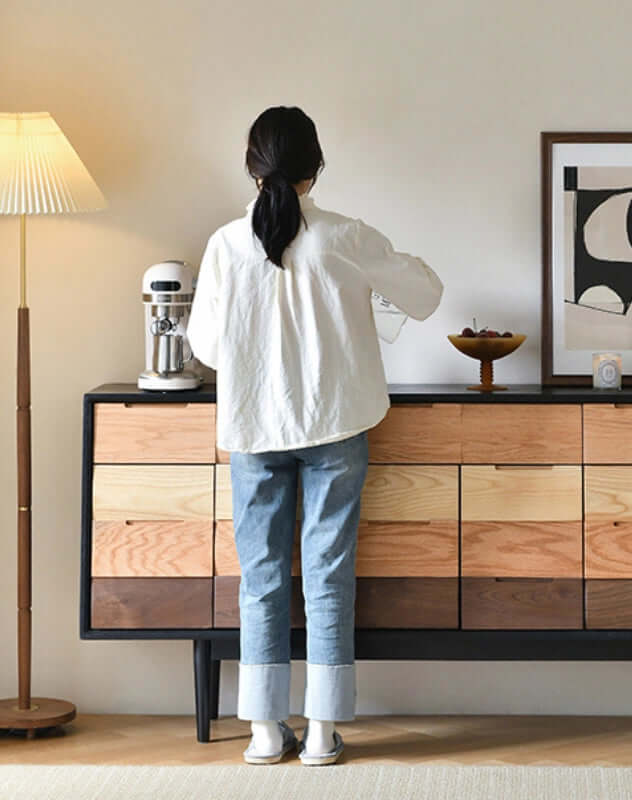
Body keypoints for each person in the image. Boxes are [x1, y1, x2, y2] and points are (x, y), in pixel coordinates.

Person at [186, 105, 443, 766]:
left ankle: (266, 732)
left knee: (262, 577)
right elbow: (426, 294)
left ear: (253, 165)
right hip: (336, 423)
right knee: (329, 574)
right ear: (315, 166)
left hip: (253, 428)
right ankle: (324, 732)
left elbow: (208, 348)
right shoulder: (344, 237)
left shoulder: (224, 244)